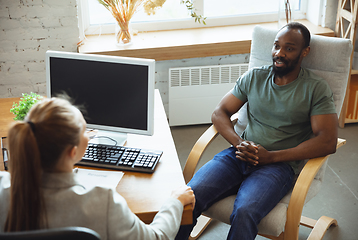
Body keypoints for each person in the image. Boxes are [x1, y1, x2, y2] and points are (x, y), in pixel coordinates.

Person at [175, 22, 338, 240]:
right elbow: (219, 112)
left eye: (289, 48)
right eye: (276, 46)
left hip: (278, 167)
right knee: (188, 196)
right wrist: (239, 143)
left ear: (304, 52)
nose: (279, 53)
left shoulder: (315, 88)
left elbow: (327, 141)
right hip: (238, 155)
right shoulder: (255, 77)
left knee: (245, 212)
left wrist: (271, 157)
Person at [0, 96, 195, 240]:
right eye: (85, 131)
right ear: (72, 152)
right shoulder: (103, 202)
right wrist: (174, 202)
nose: (90, 135)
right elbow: (156, 237)